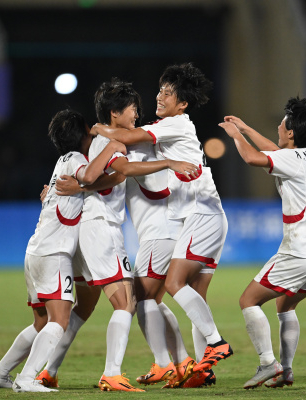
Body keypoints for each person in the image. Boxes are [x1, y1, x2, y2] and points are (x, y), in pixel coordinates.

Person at [36, 78, 199, 393]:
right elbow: (124, 169)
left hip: (82, 232)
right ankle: (115, 372)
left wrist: (79, 186)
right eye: (132, 109)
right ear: (115, 113)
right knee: (128, 301)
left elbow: (96, 176)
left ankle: (48, 371)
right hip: (101, 229)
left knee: (82, 310)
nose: (136, 114)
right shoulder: (113, 143)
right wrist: (169, 162)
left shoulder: (96, 141)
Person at [91, 63, 232, 388]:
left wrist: (100, 133)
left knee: (151, 294)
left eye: (166, 93)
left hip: (167, 229)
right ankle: (195, 367)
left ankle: (173, 361)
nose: (145, 108)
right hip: (186, 220)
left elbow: (149, 178)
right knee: (182, 294)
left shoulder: (161, 133)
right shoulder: (161, 134)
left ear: (182, 103)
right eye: (135, 108)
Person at [0, 109, 126, 393]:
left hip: (35, 251)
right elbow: (88, 175)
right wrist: (111, 144)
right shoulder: (75, 161)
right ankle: (26, 380)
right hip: (53, 254)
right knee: (59, 321)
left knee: (41, 323)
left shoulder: (61, 161)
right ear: (84, 132)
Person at [218, 96, 306, 389]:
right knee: (285, 306)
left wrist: (235, 137)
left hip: (300, 252)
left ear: (292, 132)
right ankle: (287, 370)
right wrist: (245, 128)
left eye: (282, 123)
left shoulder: (292, 160)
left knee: (248, 300)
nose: (278, 126)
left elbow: (252, 158)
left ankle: (269, 364)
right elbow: (272, 149)